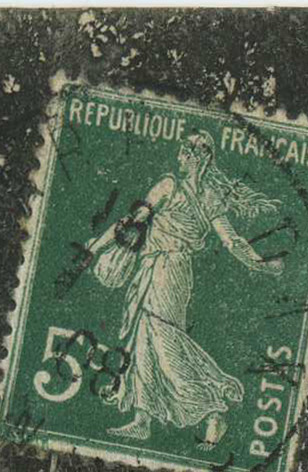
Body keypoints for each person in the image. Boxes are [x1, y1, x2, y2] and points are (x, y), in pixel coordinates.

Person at [83, 132, 282, 448]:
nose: (179, 157)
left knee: (161, 339)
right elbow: (230, 241)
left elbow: (133, 223)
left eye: (184, 152)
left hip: (167, 271)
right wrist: (259, 263)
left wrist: (260, 264)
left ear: (197, 157)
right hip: (163, 269)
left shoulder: (175, 188)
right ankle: (143, 418)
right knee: (146, 337)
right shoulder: (201, 196)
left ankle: (212, 407)